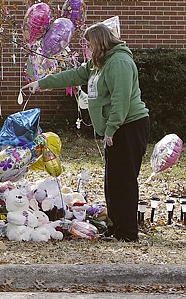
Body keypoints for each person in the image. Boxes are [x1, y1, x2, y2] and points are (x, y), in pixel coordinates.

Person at [22, 22, 149, 242]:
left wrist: (111, 129)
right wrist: (39, 84)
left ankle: (128, 233)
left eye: (90, 44)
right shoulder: (97, 64)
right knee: (112, 180)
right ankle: (115, 227)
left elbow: (121, 99)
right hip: (116, 128)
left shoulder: (119, 62)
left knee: (124, 180)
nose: (88, 48)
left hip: (128, 126)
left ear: (100, 42)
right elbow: (72, 76)